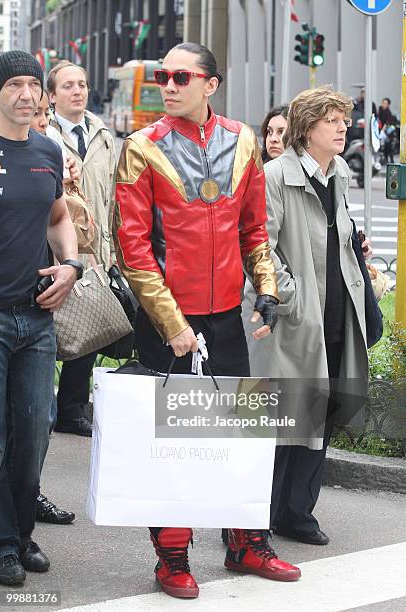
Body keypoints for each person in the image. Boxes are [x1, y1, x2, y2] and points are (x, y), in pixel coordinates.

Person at [114, 42, 301, 600]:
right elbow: (134, 249)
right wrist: (171, 323)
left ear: (210, 85)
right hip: (168, 318)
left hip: (224, 317)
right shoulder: (140, 149)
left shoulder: (245, 140)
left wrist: (265, 288)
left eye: (180, 76)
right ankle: (171, 555)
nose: (167, 86)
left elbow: (254, 232)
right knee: (173, 443)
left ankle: (247, 541)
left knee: (241, 433)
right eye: (164, 77)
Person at [243, 86, 370, 547]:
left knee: (318, 419)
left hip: (333, 316)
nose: (342, 128)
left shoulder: (339, 174)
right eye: (331, 120)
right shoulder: (275, 175)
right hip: (291, 318)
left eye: (343, 119)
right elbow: (259, 244)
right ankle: (251, 521)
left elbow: (332, 235)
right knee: (278, 421)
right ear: (306, 128)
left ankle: (297, 514)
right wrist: (290, 295)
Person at [0, 50, 80, 586]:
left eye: (34, 84)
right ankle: (5, 544)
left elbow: (58, 215)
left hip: (37, 320)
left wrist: (71, 265)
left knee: (32, 437)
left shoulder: (48, 151)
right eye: (14, 85)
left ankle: (21, 534)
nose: (27, 94)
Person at [47, 61, 116, 437]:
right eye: (68, 86)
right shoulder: (44, 132)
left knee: (89, 329)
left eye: (83, 84)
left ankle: (71, 407)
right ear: (53, 94)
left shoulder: (103, 134)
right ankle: (45, 405)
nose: (77, 91)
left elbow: (114, 194)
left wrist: (114, 250)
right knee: (54, 329)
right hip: (57, 246)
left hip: (97, 247)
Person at [29, 91, 76, 526]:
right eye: (39, 114)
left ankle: (29, 495)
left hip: (46, 297)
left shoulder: (50, 155)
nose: (41, 120)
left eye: (46, 113)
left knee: (41, 414)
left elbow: (68, 218)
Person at [378, 98, 395, 164]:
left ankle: (391, 159)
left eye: (385, 103)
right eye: (383, 103)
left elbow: (387, 123)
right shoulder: (380, 109)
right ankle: (384, 159)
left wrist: (382, 130)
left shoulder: (388, 112)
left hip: (388, 131)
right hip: (381, 129)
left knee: (388, 146)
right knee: (383, 146)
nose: (383, 104)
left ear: (388, 105)